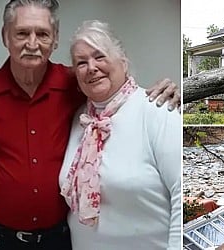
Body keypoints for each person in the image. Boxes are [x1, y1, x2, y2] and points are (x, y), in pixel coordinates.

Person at [0, 1, 180, 250]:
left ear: (54, 39)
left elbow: (116, 91)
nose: (32, 44)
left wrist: (169, 93)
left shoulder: (74, 85)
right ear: (5, 36)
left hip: (60, 240)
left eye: (42, 34)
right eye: (22, 33)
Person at [58, 20, 181, 250]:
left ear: (123, 62)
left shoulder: (157, 110)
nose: (91, 67)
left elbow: (181, 192)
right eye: (81, 63)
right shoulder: (79, 119)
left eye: (100, 56)